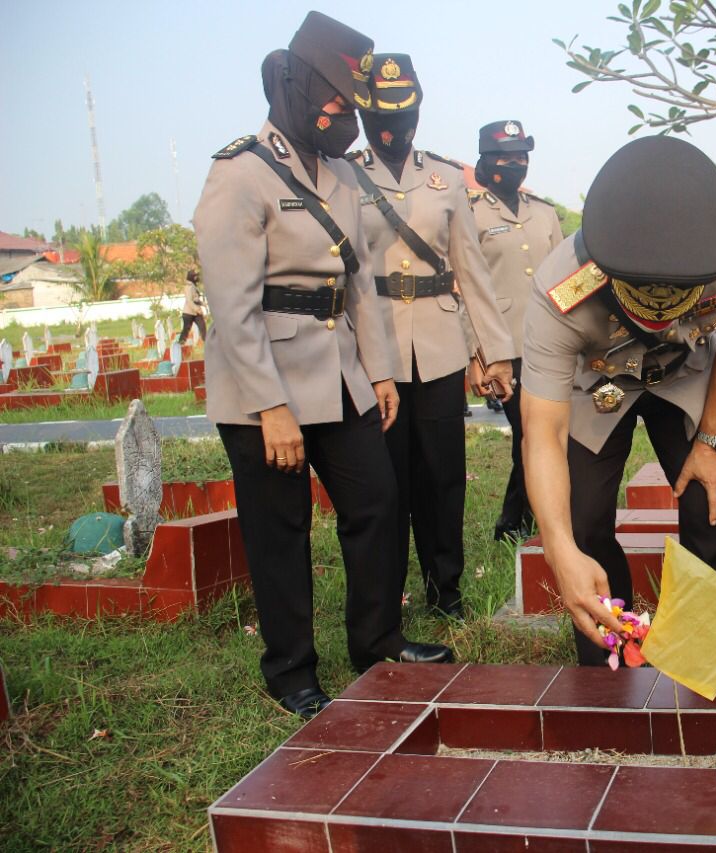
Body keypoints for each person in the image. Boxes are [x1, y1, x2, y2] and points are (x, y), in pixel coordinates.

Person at [193, 13, 453, 720]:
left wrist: (380, 372)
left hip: (339, 372)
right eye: (333, 100)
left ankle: (377, 639)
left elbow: (359, 280)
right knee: (280, 530)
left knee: (375, 500)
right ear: (299, 87)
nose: (344, 114)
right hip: (266, 382)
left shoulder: (339, 171)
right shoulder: (240, 172)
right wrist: (268, 406)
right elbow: (232, 304)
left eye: (351, 104)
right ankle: (291, 671)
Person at [521, 136, 716, 664]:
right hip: (598, 384)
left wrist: (712, 439)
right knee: (582, 521)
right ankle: (610, 655)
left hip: (686, 372)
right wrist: (558, 550)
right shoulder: (559, 290)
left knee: (711, 500)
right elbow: (542, 435)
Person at [353, 55, 515, 619]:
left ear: (417, 113)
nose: (393, 129)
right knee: (388, 480)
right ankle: (390, 594)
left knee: (444, 477)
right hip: (375, 349)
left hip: (441, 347)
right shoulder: (345, 176)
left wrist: (494, 353)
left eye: (403, 115)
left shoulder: (445, 179)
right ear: (364, 115)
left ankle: (445, 590)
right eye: (379, 116)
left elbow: (471, 269)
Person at [468, 120, 565, 540]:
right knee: (530, 432)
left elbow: (565, 276)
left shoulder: (543, 211)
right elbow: (463, 286)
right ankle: (517, 523)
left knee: (540, 432)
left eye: (521, 157)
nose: (515, 164)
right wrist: (476, 352)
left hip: (551, 341)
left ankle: (518, 522)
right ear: (486, 162)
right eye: (506, 158)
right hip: (502, 344)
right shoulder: (470, 213)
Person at [178, 269, 207, 344]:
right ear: (191, 277)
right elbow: (189, 301)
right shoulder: (189, 286)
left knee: (203, 328)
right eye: (195, 276)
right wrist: (197, 309)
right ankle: (180, 344)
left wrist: (203, 304)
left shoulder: (193, 285)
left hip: (196, 312)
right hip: (189, 312)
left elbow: (195, 299)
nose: (196, 278)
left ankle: (207, 343)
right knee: (186, 329)